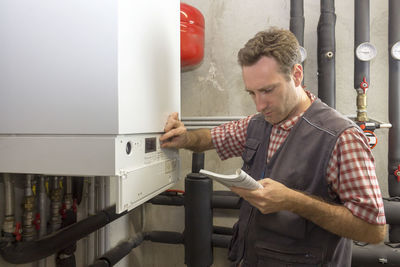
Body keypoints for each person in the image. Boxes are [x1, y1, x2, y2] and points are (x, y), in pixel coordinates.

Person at [160, 27, 386, 267]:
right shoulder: (258, 124)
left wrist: (293, 201)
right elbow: (211, 138)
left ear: (296, 75)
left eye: (268, 90)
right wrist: (185, 139)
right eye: (252, 93)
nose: (259, 105)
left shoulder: (342, 138)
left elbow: (373, 230)